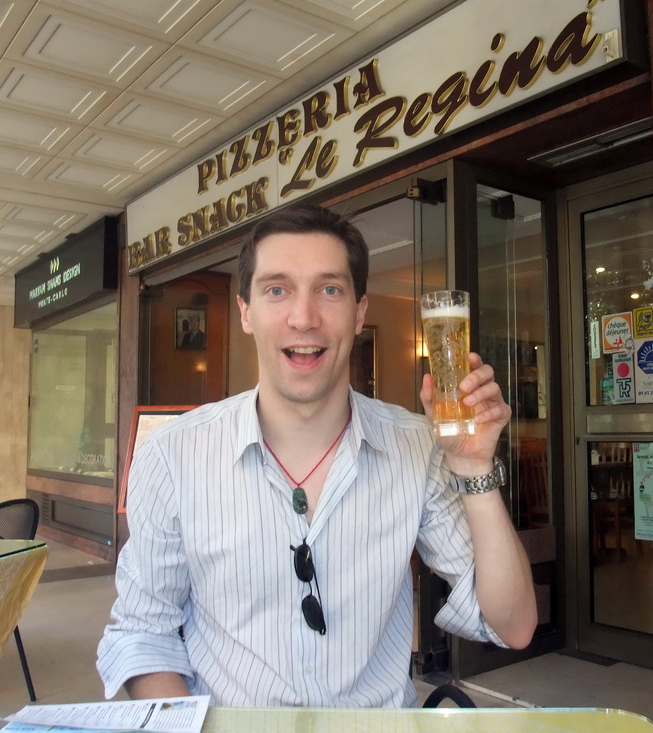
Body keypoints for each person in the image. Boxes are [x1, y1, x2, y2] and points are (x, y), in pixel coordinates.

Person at [97, 206, 537, 707]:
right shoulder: (173, 454)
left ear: (359, 311)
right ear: (246, 311)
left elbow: (514, 624)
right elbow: (142, 635)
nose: (303, 317)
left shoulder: (416, 446)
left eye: (329, 289)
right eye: (276, 289)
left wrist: (474, 466)